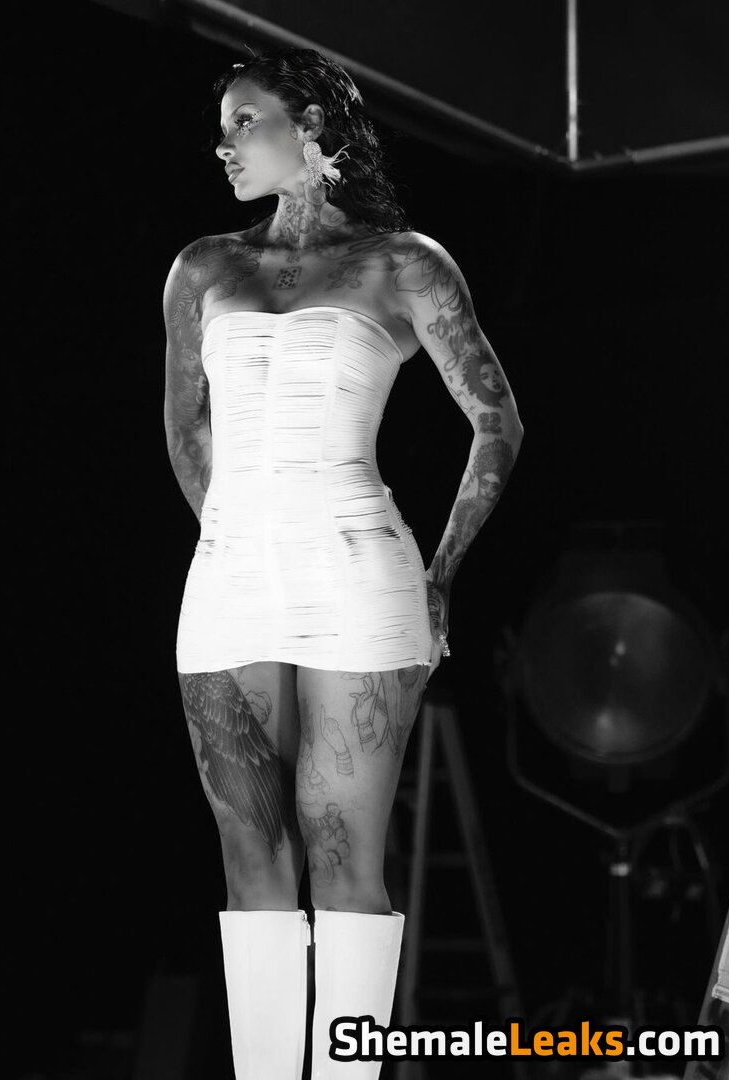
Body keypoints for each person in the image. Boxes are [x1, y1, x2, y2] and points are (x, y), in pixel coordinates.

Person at [163, 46, 524, 1080]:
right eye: (222, 127)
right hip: (231, 574)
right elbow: (184, 425)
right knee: (251, 859)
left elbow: (495, 423)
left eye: (245, 121)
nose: (224, 144)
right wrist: (234, 535)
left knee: (341, 858)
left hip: (358, 572)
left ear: (311, 125)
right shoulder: (201, 268)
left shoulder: (402, 262)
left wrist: (440, 573)